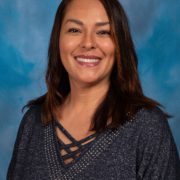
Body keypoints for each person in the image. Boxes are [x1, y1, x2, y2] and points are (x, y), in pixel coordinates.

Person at [7, 0, 180, 179]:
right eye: (74, 30)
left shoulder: (147, 127)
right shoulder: (33, 121)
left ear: (119, 44)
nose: (88, 43)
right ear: (58, 39)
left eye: (103, 32)